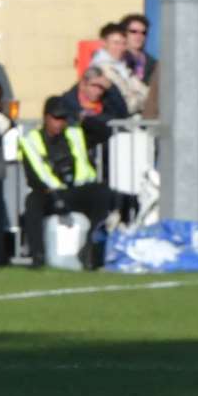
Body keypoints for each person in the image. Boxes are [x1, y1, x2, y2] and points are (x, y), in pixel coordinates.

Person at [18, 96, 134, 267]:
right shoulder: (31, 140)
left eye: (63, 118)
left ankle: (90, 249)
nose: (60, 123)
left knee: (102, 193)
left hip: (76, 190)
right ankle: (38, 257)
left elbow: (104, 133)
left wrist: (84, 118)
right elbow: (34, 176)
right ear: (46, 118)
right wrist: (52, 193)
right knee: (33, 202)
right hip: (50, 191)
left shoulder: (75, 134)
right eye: (56, 118)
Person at [120, 13, 155, 83]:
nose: (139, 36)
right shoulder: (113, 60)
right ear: (123, 33)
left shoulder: (154, 65)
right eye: (133, 31)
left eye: (143, 32)